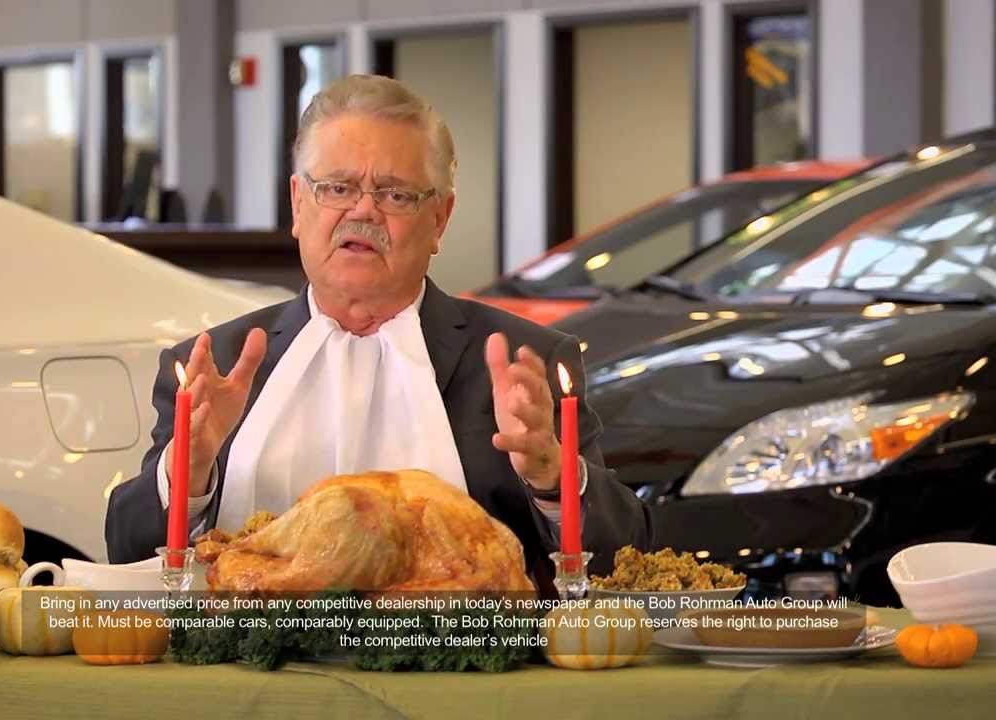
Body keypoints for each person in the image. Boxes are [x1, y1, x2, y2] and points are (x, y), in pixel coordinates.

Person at [105, 75, 656, 586]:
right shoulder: (217, 363)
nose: (363, 211)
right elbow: (126, 552)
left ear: (439, 219)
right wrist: (187, 475)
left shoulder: (524, 361)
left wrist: (553, 479)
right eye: (337, 188)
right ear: (298, 204)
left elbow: (626, 559)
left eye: (395, 194)